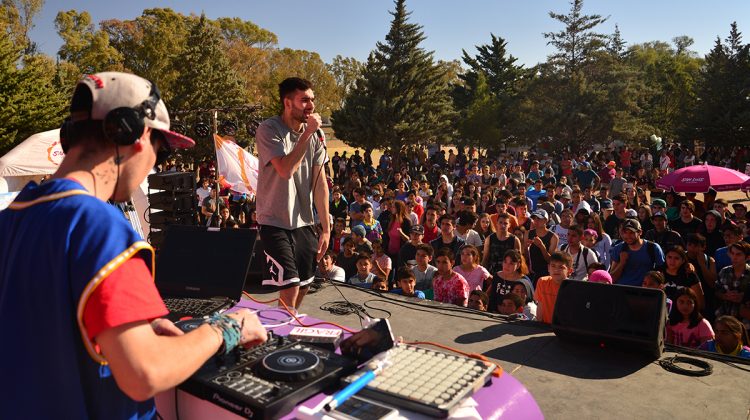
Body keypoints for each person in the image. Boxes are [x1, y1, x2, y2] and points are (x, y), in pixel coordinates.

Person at [0, 72, 267, 418]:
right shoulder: (98, 224)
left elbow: (45, 321)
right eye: (161, 149)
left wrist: (133, 329)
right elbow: (145, 374)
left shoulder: (12, 217)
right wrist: (227, 328)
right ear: (139, 135)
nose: (156, 164)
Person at [256, 77, 329, 310]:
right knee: (290, 284)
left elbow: (320, 184)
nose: (311, 105)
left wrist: (326, 227)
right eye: (304, 100)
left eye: (312, 100)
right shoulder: (269, 129)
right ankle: (282, 336)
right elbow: (285, 170)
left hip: (304, 221)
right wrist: (307, 134)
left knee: (305, 283)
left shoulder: (317, 136)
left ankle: (284, 324)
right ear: (288, 103)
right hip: (274, 220)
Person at [609, 219, 666, 287]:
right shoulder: (618, 248)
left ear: (640, 232)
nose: (628, 236)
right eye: (625, 232)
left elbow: (661, 274)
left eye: (631, 233)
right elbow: (611, 279)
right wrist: (622, 263)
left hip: (644, 292)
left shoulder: (653, 248)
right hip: (622, 290)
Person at [659, 246, 705, 311]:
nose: (672, 261)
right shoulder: (659, 273)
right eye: (669, 257)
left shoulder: (690, 275)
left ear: (683, 260)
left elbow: (700, 304)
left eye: (676, 258)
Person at [534, 252, 574, 324]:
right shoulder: (542, 282)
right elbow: (540, 306)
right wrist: (539, 325)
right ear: (548, 268)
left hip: (563, 328)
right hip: (544, 327)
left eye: (561, 267)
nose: (556, 270)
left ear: (570, 271)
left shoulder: (572, 287)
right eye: (553, 266)